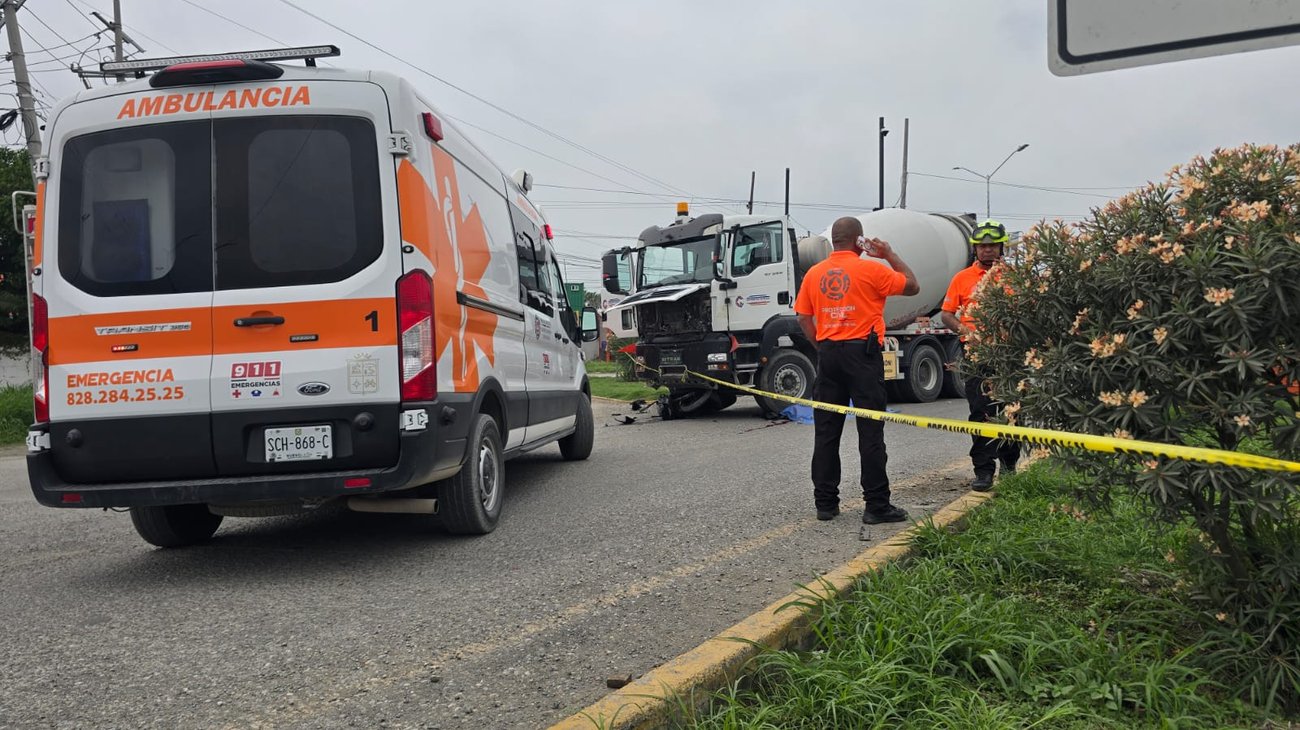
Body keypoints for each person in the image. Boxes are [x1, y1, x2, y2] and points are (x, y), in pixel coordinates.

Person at [794, 216, 919, 524]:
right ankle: (876, 506)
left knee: (826, 432)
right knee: (870, 431)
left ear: (834, 240)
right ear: (859, 241)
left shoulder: (814, 274)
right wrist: (887, 253)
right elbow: (913, 286)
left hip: (829, 355)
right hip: (862, 355)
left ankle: (825, 504)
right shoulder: (873, 269)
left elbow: (802, 318)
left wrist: (821, 346)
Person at [939, 218, 1020, 492]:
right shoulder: (961, 278)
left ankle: (1010, 467)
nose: (987, 251)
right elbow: (946, 314)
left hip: (1008, 354)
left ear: (1001, 248)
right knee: (980, 412)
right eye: (982, 246)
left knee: (1011, 411)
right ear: (975, 249)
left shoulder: (1013, 276)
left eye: (992, 246)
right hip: (975, 354)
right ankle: (984, 471)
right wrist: (965, 331)